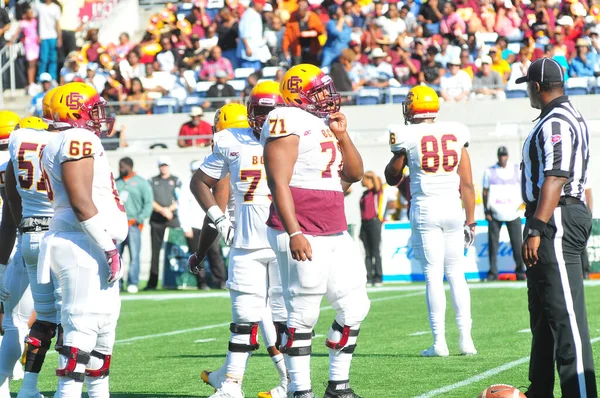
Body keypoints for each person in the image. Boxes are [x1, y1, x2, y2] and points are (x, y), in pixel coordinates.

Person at [261, 64, 369, 398]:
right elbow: (278, 180)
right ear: (298, 92)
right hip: (302, 226)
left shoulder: (322, 124)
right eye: (319, 90)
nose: (327, 95)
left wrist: (342, 134)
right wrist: (294, 232)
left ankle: (338, 385)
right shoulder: (285, 118)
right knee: (304, 312)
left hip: (334, 226)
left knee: (355, 305)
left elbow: (355, 173)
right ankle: (301, 390)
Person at [192, 83, 288, 398]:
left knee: (282, 318)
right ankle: (231, 382)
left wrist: (203, 248)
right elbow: (206, 191)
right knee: (248, 317)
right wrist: (219, 223)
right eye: (259, 112)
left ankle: (292, 383)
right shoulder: (232, 143)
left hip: (280, 240)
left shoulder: (294, 139)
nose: (264, 118)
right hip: (250, 242)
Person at [39, 81, 127, 397]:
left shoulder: (67, 138)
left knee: (103, 331)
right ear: (74, 110)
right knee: (81, 328)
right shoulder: (76, 137)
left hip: (89, 240)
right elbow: (80, 199)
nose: (99, 116)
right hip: (82, 242)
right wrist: (106, 245)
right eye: (93, 109)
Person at [517, 57, 597, 398]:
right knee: (544, 313)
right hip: (553, 215)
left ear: (536, 87)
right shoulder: (561, 116)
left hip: (555, 217)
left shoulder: (557, 121)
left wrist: (536, 226)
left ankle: (580, 393)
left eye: (529, 89)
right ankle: (540, 390)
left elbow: (556, 175)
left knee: (565, 317)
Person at [384, 85, 477, 357]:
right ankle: (466, 340)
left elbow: (392, 178)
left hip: (426, 206)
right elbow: (468, 184)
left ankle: (439, 343)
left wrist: (398, 155)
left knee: (433, 277)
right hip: (452, 207)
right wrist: (470, 221)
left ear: (412, 107)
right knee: (457, 274)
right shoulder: (457, 131)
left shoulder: (408, 134)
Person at [0, 111, 35, 397]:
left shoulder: (14, 164)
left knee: (13, 320)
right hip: (60, 239)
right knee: (67, 321)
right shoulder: (44, 157)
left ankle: (4, 384)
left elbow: (8, 220)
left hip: (19, 237)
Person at [179, 160, 226, 291]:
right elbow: (182, 207)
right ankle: (202, 282)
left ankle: (220, 280)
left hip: (211, 223)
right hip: (194, 225)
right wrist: (185, 226)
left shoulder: (214, 182)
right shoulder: (187, 184)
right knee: (197, 255)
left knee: (215, 254)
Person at [482, 146, 526, 281]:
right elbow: (485, 192)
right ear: (498, 156)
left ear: (507, 156)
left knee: (517, 244)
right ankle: (493, 272)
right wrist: (486, 210)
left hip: (513, 213)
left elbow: (524, 187)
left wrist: (523, 205)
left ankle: (520, 271)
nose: (502, 158)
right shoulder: (489, 171)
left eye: (504, 155)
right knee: (493, 245)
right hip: (495, 214)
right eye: (500, 156)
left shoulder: (516, 170)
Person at [116, 157, 154, 294]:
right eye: (119, 167)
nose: (120, 169)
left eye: (122, 167)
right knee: (117, 255)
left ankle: (133, 282)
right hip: (118, 225)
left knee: (134, 255)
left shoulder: (141, 183)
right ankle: (118, 283)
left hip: (133, 225)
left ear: (129, 167)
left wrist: (140, 219)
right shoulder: (116, 182)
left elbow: (148, 203)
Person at [145, 156, 181, 291]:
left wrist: (169, 210)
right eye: (161, 165)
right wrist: (162, 210)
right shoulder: (152, 181)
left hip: (172, 218)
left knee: (176, 249)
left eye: (165, 165)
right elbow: (150, 199)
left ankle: (178, 280)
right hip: (157, 219)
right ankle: (152, 282)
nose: (163, 168)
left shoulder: (176, 180)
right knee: (155, 252)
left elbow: (180, 198)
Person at [359, 171, 384, 287]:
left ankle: (378, 277)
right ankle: (369, 277)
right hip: (365, 224)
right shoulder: (364, 194)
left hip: (374, 222)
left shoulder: (376, 192)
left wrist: (372, 175)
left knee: (375, 251)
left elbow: (378, 185)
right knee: (367, 252)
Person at [237, 0, 268, 70]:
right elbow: (243, 32)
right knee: (247, 75)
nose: (262, 7)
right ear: (256, 3)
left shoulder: (256, 14)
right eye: (261, 5)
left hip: (255, 52)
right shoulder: (248, 14)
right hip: (248, 53)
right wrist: (247, 48)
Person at [36, 0, 62, 81]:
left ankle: (52, 78)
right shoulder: (39, 6)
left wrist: (59, 38)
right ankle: (40, 79)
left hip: (53, 36)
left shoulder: (56, 7)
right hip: (43, 36)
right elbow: (37, 22)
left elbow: (57, 24)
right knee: (43, 59)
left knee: (53, 59)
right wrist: (38, 35)